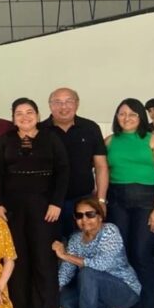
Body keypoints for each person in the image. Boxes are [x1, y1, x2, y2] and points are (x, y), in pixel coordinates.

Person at [0, 98, 69, 308]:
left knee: (43, 259)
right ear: (13, 118)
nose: (25, 117)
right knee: (18, 258)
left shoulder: (51, 138)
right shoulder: (5, 140)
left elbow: (64, 171)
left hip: (45, 206)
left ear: (37, 114)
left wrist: (56, 202)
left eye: (29, 112)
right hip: (12, 207)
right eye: (19, 113)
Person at [106, 98, 154, 308]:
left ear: (140, 117)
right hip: (117, 202)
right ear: (116, 117)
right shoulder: (110, 141)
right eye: (122, 114)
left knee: (141, 253)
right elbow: (102, 173)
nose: (127, 118)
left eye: (132, 114)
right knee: (121, 255)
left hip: (146, 202)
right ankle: (127, 304)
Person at [52, 197, 141, 308]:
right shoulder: (75, 239)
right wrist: (53, 295)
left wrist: (64, 255)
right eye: (79, 216)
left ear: (100, 216)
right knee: (65, 301)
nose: (84, 219)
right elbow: (66, 272)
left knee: (88, 273)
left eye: (90, 214)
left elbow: (100, 264)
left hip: (125, 289)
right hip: (97, 291)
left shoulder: (110, 231)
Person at [38, 88, 109, 238]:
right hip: (48, 202)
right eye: (58, 102)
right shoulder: (39, 130)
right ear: (50, 105)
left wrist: (101, 200)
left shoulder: (90, 128)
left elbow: (101, 166)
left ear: (77, 104)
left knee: (83, 244)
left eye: (68, 101)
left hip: (82, 200)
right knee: (50, 244)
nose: (63, 107)